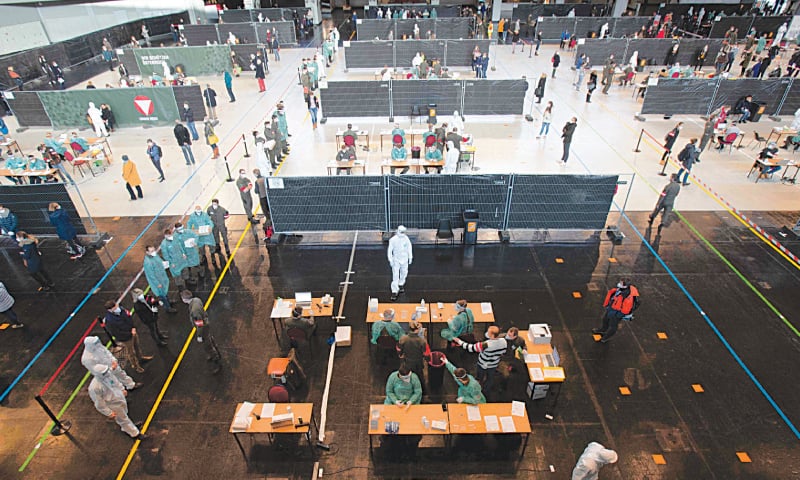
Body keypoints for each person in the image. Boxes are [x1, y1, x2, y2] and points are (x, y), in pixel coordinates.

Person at [88, 364, 148, 441]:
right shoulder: (95, 387)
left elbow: (115, 381)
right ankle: (135, 433)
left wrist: (122, 389)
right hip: (112, 404)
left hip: (119, 397)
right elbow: (99, 402)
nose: (107, 373)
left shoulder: (107, 374)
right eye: (104, 372)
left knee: (125, 413)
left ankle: (127, 427)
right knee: (122, 419)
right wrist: (108, 412)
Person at [453, 325, 508, 394]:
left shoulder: (485, 344)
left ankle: (478, 388)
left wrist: (459, 341)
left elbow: (470, 348)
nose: (487, 334)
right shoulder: (504, 342)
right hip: (493, 364)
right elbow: (503, 352)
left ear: (492, 335)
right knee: (490, 379)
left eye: (488, 333)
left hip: (483, 364)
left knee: (479, 377)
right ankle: (485, 391)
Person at [103, 300, 153, 373]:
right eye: (115, 307)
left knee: (137, 346)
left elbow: (129, 317)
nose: (117, 308)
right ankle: (136, 366)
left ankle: (140, 358)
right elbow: (115, 333)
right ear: (110, 310)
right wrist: (130, 333)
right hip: (125, 338)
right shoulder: (110, 320)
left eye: (116, 306)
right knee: (131, 352)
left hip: (132, 332)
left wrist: (133, 327)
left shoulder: (122, 310)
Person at [181, 289, 221, 374]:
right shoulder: (196, 300)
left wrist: (199, 336)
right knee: (209, 339)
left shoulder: (194, 311)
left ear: (184, 299)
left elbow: (199, 325)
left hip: (203, 328)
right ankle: (214, 351)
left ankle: (216, 361)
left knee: (207, 345)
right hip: (206, 323)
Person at [592, 278, 640, 343]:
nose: (619, 283)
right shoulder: (621, 290)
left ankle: (606, 337)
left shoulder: (627, 296)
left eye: (621, 283)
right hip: (612, 308)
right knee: (605, 319)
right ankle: (603, 329)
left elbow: (626, 309)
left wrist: (618, 315)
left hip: (616, 312)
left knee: (613, 325)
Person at [142, 244, 176, 313]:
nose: (154, 252)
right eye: (151, 251)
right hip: (158, 281)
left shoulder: (155, 256)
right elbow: (151, 275)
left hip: (162, 277)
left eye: (154, 250)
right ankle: (167, 308)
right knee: (162, 295)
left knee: (165, 292)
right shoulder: (148, 262)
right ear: (147, 252)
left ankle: (168, 301)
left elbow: (160, 261)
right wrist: (157, 283)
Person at [387, 225, 412, 301]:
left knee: (404, 273)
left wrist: (410, 257)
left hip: (404, 259)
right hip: (396, 260)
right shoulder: (393, 240)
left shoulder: (406, 239)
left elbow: (409, 248)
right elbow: (389, 251)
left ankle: (401, 284)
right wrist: (390, 260)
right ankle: (394, 291)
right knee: (395, 275)